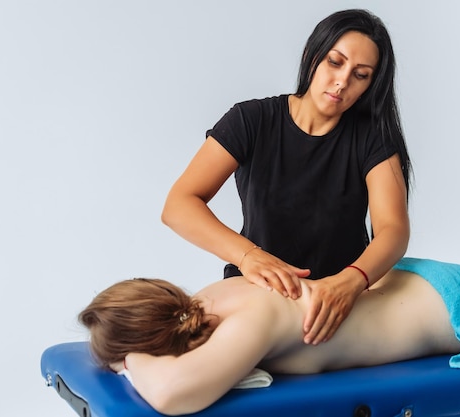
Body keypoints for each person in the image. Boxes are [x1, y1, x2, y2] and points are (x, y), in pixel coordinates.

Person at [160, 9, 412, 345]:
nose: (342, 81)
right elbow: (178, 205)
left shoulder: (372, 140)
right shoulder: (250, 120)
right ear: (312, 56)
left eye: (360, 75)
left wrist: (351, 282)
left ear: (369, 85)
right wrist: (247, 257)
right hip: (256, 291)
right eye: (335, 62)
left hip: (337, 303)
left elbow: (393, 229)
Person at [79, 257, 460, 416]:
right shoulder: (207, 300)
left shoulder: (248, 320)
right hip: (420, 287)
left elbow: (169, 394)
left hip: (456, 307)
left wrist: (126, 360)